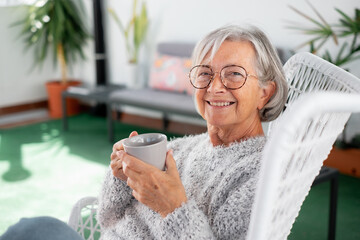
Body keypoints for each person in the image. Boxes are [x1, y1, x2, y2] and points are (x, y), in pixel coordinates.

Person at [97, 24, 288, 239]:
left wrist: (172, 208)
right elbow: (108, 220)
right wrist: (122, 177)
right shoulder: (177, 149)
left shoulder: (260, 174)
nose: (215, 87)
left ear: (265, 93)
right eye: (205, 73)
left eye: (234, 73)